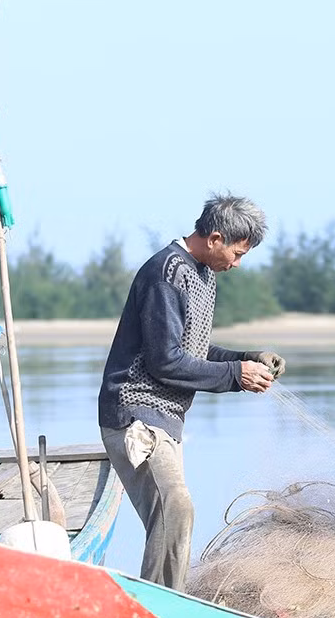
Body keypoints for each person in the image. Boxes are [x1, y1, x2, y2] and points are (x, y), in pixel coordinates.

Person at [98, 194, 286, 592]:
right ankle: (159, 608)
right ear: (215, 238)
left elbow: (192, 351)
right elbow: (165, 362)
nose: (237, 264)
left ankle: (166, 601)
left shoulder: (203, 275)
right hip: (136, 414)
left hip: (165, 421)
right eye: (237, 254)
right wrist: (235, 375)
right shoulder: (166, 272)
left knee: (174, 513)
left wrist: (247, 358)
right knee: (176, 508)